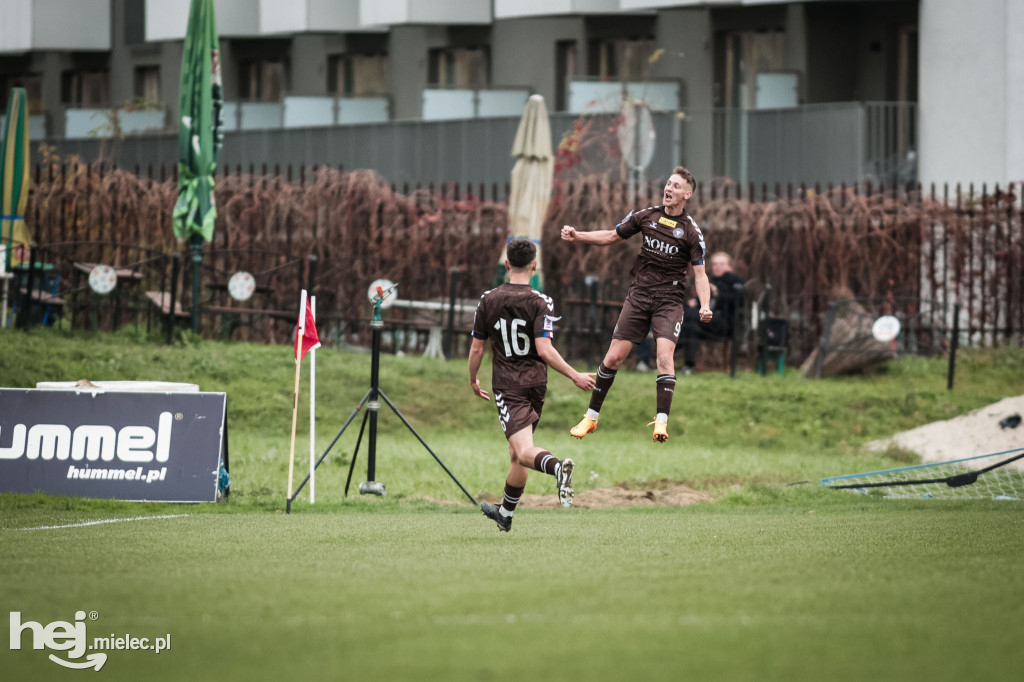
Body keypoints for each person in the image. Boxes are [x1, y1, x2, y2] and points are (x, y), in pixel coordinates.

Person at [560, 166, 712, 443]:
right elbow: (610, 236)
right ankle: (590, 417)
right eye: (668, 183)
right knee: (614, 357)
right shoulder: (646, 217)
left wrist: (704, 305)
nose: (669, 189)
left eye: (676, 186)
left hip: (669, 301)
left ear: (687, 194)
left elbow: (700, 275)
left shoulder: (691, 233)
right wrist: (577, 235)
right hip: (639, 296)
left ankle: (662, 422)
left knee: (664, 357)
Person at [468, 239, 596, 532]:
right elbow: (545, 349)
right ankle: (505, 514)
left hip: (508, 386)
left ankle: (557, 468)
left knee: (526, 451)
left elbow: (477, 349)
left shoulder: (488, 299)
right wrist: (572, 374)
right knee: (517, 454)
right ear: (534, 266)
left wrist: (473, 379)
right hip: (536, 384)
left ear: (507, 265)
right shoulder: (542, 300)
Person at [678, 251, 744, 374]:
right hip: (705, 322)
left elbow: (738, 302)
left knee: (689, 318)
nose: (718, 266)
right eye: (715, 264)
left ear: (729, 266)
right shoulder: (710, 279)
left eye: (722, 264)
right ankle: (687, 365)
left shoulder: (734, 280)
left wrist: (717, 293)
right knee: (689, 321)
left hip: (724, 324)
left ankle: (673, 352)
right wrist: (695, 302)